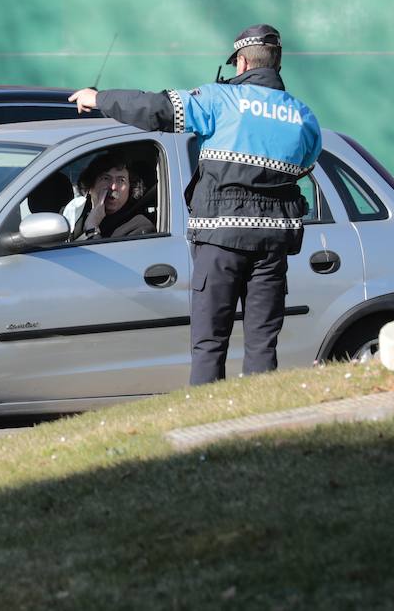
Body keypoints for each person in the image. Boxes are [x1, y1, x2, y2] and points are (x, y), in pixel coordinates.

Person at [68, 24, 322, 385]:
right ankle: (261, 426)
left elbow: (156, 109)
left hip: (220, 239)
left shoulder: (220, 99)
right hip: (273, 243)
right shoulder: (302, 115)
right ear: (276, 63)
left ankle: (208, 429)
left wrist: (100, 98)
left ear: (243, 62)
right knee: (263, 344)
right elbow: (306, 164)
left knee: (210, 342)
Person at [73, 153, 155, 240]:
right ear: (90, 186)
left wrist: (92, 230)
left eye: (121, 180)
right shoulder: (76, 214)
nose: (113, 187)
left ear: (130, 188)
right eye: (106, 178)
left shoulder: (140, 227)